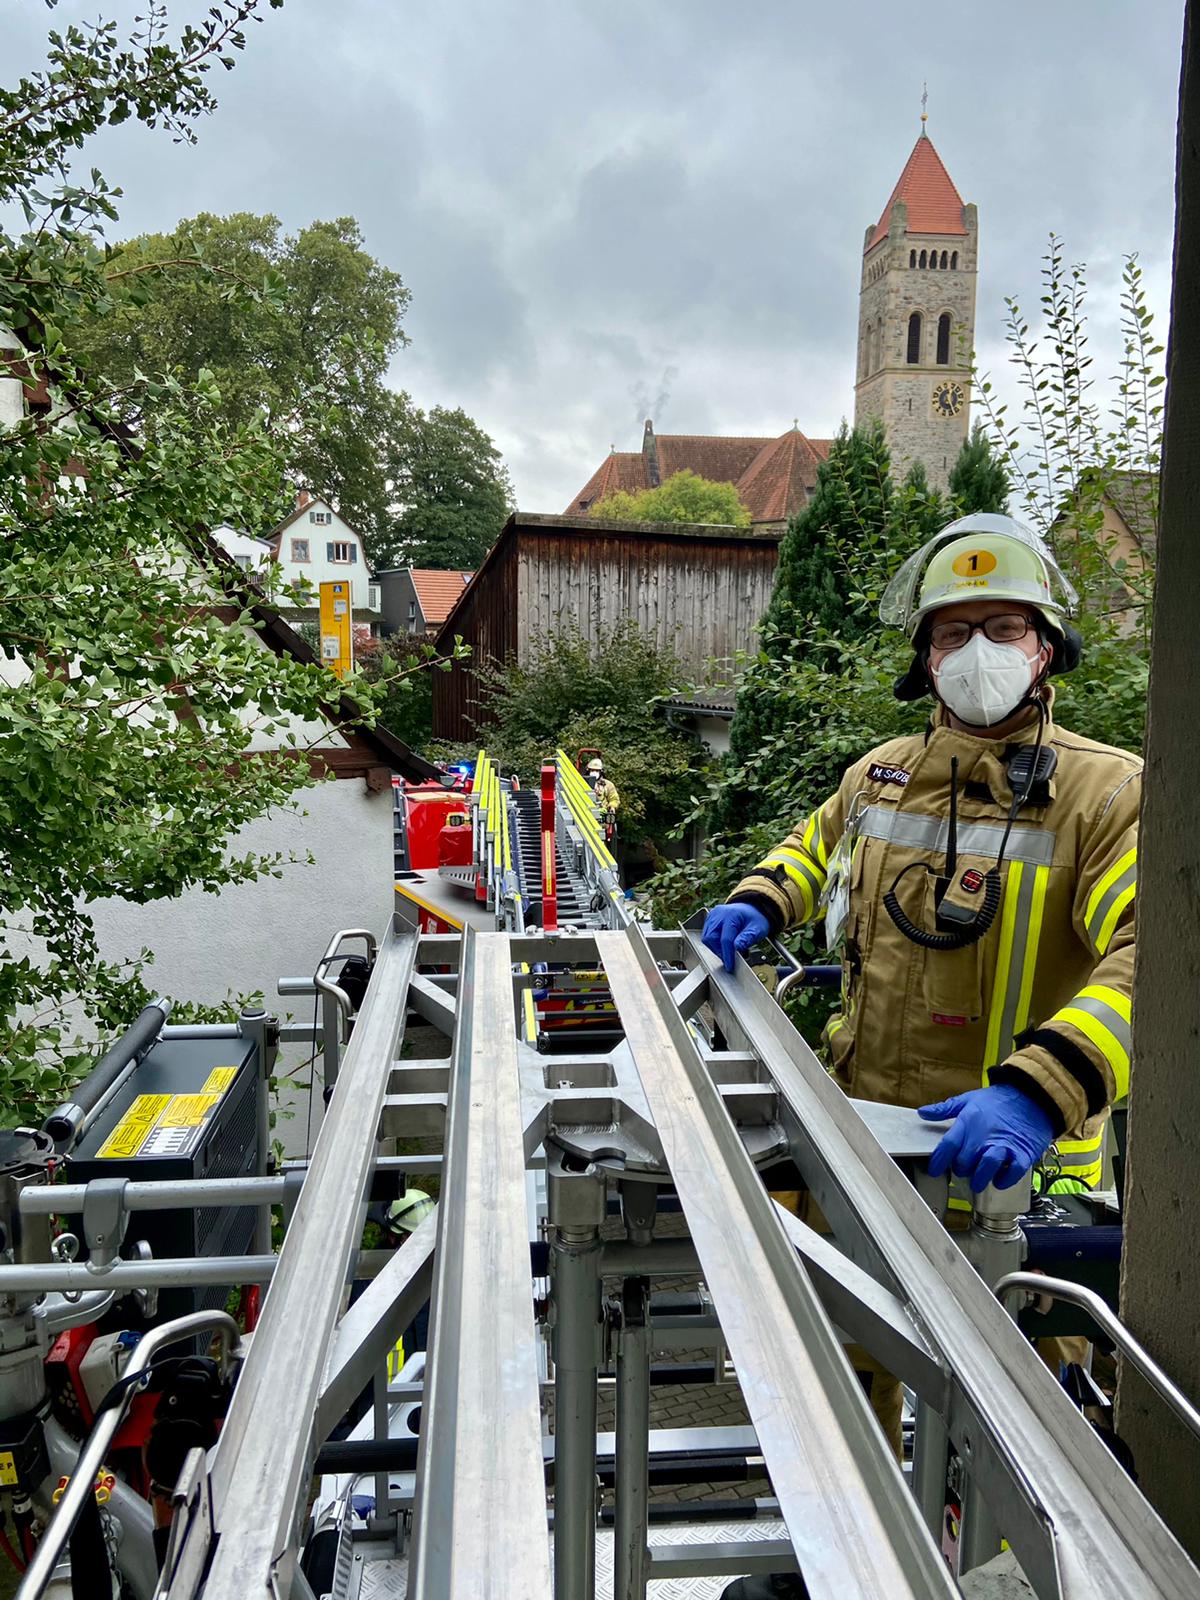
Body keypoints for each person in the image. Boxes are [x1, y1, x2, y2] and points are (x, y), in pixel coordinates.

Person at [702, 513, 1139, 1480]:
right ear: (924, 654)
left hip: (1010, 1168)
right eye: (952, 632)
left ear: (1046, 646)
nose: (975, 652)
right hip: (865, 1141)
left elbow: (1153, 958)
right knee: (847, 1371)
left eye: (1003, 629)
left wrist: (1041, 1089)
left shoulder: (1106, 796)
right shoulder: (883, 772)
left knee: (1016, 1430)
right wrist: (760, 896)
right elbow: (815, 847)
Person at [585, 757, 621, 831]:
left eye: (597, 770)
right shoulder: (582, 783)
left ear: (601, 771)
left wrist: (612, 807)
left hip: (602, 815)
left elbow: (614, 799)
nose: (594, 772)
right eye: (592, 770)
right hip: (586, 813)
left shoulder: (608, 785)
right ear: (588, 771)